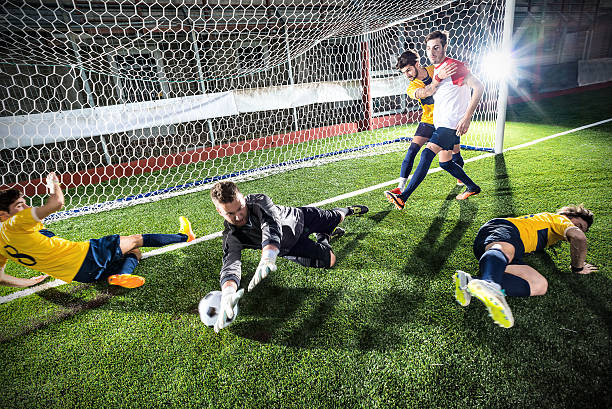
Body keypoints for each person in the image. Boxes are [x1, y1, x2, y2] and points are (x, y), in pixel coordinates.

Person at [209, 180, 368, 333]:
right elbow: (231, 263)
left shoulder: (259, 201)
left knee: (335, 218)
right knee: (330, 260)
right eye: (230, 213)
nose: (238, 216)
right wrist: (228, 292)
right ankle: (324, 236)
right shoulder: (232, 235)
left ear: (243, 198)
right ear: (219, 211)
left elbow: (271, 227)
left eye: (240, 208)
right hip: (290, 248)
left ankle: (347, 210)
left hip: (302, 219)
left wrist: (268, 257)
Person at [0, 172, 196, 289]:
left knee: (134, 253)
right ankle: (185, 235)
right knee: (136, 240)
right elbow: (57, 203)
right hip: (86, 255)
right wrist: (53, 185)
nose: (26, 208)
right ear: (3, 215)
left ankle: (121, 275)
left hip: (81, 276)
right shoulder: (13, 224)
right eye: (19, 205)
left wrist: (28, 282)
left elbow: (1, 277)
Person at [385, 30, 484, 210]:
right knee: (445, 162)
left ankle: (403, 197)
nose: (432, 52)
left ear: (445, 47)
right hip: (439, 123)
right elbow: (429, 91)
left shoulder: (452, 66)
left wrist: (467, 117)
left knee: (426, 153)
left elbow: (479, 86)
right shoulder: (437, 70)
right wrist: (438, 78)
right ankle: (472, 186)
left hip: (450, 124)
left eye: (436, 48)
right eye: (429, 48)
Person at [454, 205, 597, 328]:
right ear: (568, 216)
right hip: (504, 230)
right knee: (506, 250)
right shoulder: (560, 220)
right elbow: (579, 238)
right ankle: (491, 283)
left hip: (493, 251)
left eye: (581, 229)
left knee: (539, 285)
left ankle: (470, 282)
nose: (577, 230)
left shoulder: (548, 231)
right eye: (578, 225)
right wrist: (577, 268)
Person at [386, 49, 464, 198]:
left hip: (446, 120)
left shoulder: (435, 69)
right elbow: (425, 93)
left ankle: (461, 178)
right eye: (403, 72)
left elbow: (454, 76)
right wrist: (437, 80)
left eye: (408, 70)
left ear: (417, 64)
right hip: (428, 120)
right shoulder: (412, 86)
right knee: (412, 150)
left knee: (455, 153)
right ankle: (400, 187)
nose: (407, 75)